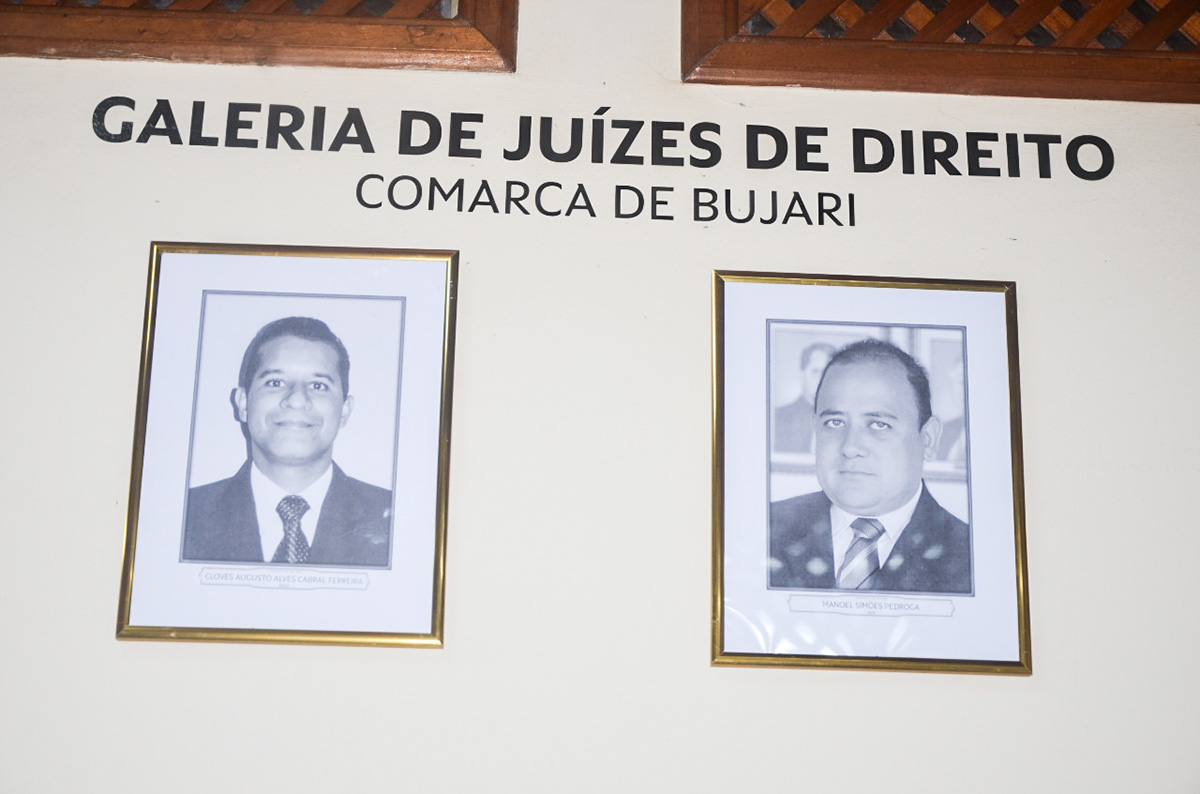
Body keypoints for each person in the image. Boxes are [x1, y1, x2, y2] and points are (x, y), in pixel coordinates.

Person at [182, 316, 392, 567]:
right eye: (275, 382)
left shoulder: (394, 519)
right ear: (243, 404)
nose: (296, 399)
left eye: (318, 385)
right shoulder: (184, 516)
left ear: (344, 411)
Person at [769, 339, 971, 594]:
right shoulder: (763, 531)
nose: (850, 447)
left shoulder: (971, 555)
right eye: (834, 422)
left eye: (878, 425)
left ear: (928, 439)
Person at [773, 342, 835, 453]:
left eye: (827, 373)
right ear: (801, 374)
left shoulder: (845, 421)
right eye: (815, 372)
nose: (822, 380)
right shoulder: (777, 419)